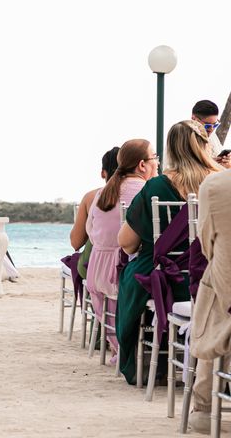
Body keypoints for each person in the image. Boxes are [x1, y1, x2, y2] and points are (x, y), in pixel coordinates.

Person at [116, 120, 220, 384]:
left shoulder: (155, 187)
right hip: (213, 278)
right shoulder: (221, 182)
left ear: (171, 149)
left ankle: (154, 360)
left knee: (131, 277)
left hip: (169, 280)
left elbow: (126, 242)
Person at [85, 140, 156, 359]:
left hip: (97, 270)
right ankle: (139, 350)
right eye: (155, 157)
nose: (158, 163)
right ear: (142, 165)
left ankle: (119, 347)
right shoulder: (144, 190)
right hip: (121, 269)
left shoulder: (103, 191)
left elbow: (90, 229)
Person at [187, 168, 231, 434]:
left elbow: (207, 247)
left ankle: (204, 404)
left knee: (215, 282)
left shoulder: (216, 186)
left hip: (225, 297)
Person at [69, 147, 119, 279]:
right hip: (130, 262)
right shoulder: (140, 193)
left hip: (96, 264)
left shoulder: (92, 196)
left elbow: (76, 242)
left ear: (103, 173)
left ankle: (92, 298)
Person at [191, 99, 230, 169]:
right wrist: (210, 164)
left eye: (215, 125)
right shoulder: (182, 137)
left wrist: (224, 160)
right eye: (207, 126)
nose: (211, 129)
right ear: (194, 119)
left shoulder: (212, 136)